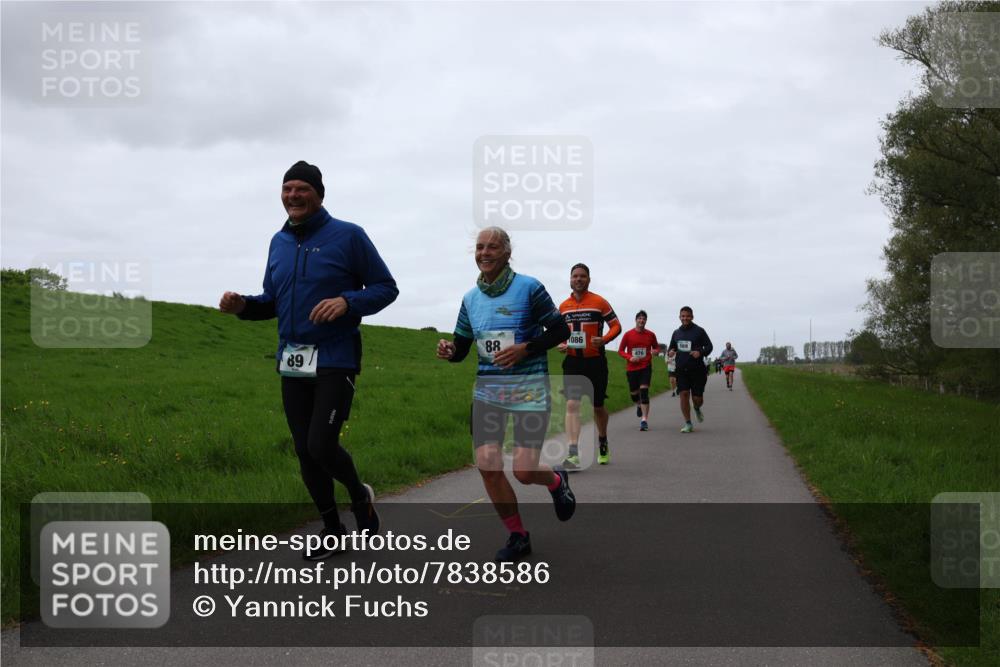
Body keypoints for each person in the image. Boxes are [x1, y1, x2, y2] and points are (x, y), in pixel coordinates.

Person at [219, 161, 398, 561]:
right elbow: (272, 301)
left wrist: (347, 301)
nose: (293, 196)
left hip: (336, 357)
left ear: (319, 194)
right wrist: (243, 306)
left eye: (302, 189)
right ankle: (331, 530)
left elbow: (387, 288)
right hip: (293, 360)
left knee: (321, 444)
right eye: (287, 189)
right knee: (304, 451)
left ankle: (358, 494)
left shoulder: (349, 236)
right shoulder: (278, 243)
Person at [436, 227, 574, 562]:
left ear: (507, 252)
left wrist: (525, 349)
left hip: (529, 390)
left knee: (525, 472)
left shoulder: (529, 288)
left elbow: (560, 330)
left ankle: (556, 480)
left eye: (492, 247)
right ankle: (517, 536)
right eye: (479, 247)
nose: (484, 253)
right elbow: (463, 348)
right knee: (487, 464)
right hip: (488, 392)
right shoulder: (470, 299)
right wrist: (449, 350)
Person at [557, 263, 622, 468]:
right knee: (572, 404)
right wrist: (560, 342)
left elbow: (616, 325)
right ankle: (573, 452)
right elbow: (558, 332)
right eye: (575, 276)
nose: (578, 279)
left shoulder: (599, 302)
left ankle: (602, 439)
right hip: (573, 362)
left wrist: (605, 339)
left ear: (589, 279)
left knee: (598, 406)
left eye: (582, 276)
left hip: (596, 362)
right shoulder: (563, 306)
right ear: (570, 279)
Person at [667, 306, 713, 433]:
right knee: (683, 395)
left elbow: (709, 346)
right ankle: (688, 423)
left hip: (697, 370)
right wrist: (670, 352)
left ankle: (697, 408)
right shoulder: (676, 333)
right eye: (683, 316)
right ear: (679, 317)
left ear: (692, 317)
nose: (685, 318)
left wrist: (700, 352)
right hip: (681, 370)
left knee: (697, 399)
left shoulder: (699, 331)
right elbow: (672, 347)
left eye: (687, 316)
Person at [618, 311, 659, 431]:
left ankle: (644, 420)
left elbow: (656, 347)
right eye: (640, 319)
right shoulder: (628, 334)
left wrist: (655, 351)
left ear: (646, 321)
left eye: (644, 319)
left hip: (645, 366)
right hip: (632, 368)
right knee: (634, 394)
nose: (642, 321)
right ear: (635, 320)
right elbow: (620, 350)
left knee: (644, 392)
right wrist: (629, 357)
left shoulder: (651, 335)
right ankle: (638, 404)